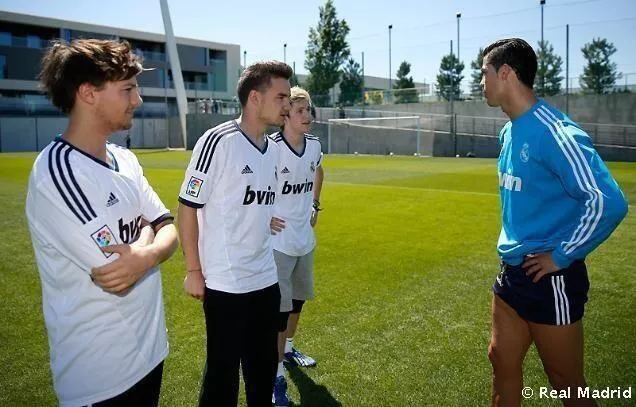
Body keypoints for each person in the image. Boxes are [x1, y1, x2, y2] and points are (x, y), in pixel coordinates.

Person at [26, 39, 179, 407]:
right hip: (100, 375)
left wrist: (143, 252)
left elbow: (169, 227)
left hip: (149, 352)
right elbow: (115, 273)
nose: (137, 100)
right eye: (127, 89)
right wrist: (149, 237)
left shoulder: (124, 159)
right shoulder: (57, 175)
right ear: (88, 93)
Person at [480, 38, 628, 407]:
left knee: (566, 383)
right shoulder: (509, 130)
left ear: (506, 73)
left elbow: (607, 201)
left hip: (550, 280)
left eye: (484, 73)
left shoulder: (556, 133)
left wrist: (561, 256)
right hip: (512, 273)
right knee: (500, 361)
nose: (480, 82)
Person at [178, 60, 292, 407]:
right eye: (281, 97)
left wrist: (263, 218)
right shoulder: (218, 141)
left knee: (262, 370)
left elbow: (253, 200)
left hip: (266, 280)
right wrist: (194, 271)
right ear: (255, 98)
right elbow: (187, 206)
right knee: (221, 378)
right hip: (227, 284)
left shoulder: (273, 148)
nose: (287, 105)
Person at [268, 86, 324, 406]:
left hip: (305, 239)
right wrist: (264, 217)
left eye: (309, 110)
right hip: (278, 243)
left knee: (298, 302)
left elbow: (318, 169)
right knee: (278, 311)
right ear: (285, 114)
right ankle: (275, 375)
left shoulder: (314, 145)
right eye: (301, 110)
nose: (308, 116)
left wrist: (316, 203)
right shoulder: (271, 148)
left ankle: (288, 350)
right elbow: (253, 184)